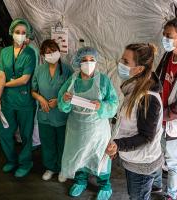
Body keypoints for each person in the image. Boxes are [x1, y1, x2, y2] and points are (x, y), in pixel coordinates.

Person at [58, 46, 118, 200]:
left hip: (97, 126)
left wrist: (102, 106)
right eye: (84, 60)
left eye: (92, 60)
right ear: (79, 62)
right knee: (79, 154)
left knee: (100, 156)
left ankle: (105, 185)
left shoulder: (103, 80)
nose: (88, 63)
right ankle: (80, 181)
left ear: (96, 61)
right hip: (76, 126)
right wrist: (65, 101)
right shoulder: (73, 79)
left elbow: (113, 104)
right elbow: (62, 103)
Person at [106, 43, 163, 200]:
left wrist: (118, 145)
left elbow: (146, 137)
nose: (120, 64)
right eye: (121, 59)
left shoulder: (147, 98)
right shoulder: (135, 88)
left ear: (139, 69)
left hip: (141, 164)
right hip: (137, 157)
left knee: (137, 196)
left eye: (126, 61)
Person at [0, 18, 36, 178]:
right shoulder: (5, 52)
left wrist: (5, 85)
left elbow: (24, 79)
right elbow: (2, 75)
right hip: (7, 102)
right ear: (11, 33)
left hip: (25, 102)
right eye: (17, 32)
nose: (20, 35)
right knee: (4, 133)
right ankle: (11, 160)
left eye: (23, 33)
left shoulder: (30, 53)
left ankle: (26, 163)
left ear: (27, 35)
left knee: (26, 135)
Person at [152, 17, 177, 200]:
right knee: (156, 154)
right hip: (159, 117)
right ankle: (156, 185)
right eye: (164, 35)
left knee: (173, 162)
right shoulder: (168, 55)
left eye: (168, 36)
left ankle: (171, 195)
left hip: (174, 123)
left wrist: (164, 116)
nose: (164, 39)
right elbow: (157, 79)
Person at [31, 39, 72, 181]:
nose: (51, 54)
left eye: (53, 51)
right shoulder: (39, 70)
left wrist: (59, 101)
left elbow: (71, 92)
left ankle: (62, 169)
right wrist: (41, 99)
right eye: (47, 52)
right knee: (47, 142)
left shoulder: (67, 70)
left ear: (58, 51)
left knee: (62, 143)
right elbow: (33, 90)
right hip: (45, 113)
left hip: (61, 114)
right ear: (43, 55)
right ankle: (50, 167)